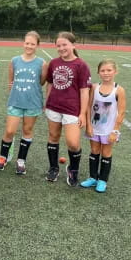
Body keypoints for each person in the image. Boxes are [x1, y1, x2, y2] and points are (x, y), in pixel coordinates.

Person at [0, 31, 47, 172]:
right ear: (23, 43)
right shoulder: (14, 60)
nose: (29, 46)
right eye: (27, 43)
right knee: (10, 130)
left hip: (33, 102)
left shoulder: (41, 63)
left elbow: (41, 82)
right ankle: (2, 157)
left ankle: (21, 160)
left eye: (32, 44)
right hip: (16, 100)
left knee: (27, 130)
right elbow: (11, 81)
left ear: (37, 45)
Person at [45, 32, 91, 186]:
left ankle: (73, 169)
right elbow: (50, 83)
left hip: (72, 109)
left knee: (73, 143)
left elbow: (85, 91)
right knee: (53, 137)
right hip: (54, 106)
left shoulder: (81, 65)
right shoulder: (53, 63)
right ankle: (53, 168)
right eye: (58, 45)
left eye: (64, 44)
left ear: (73, 45)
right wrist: (47, 101)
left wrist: (83, 113)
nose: (61, 48)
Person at [80, 59, 126, 193]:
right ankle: (93, 177)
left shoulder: (119, 90)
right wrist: (89, 125)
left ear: (115, 72)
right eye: (103, 70)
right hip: (95, 127)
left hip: (108, 129)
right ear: (98, 72)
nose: (106, 73)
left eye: (109, 70)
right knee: (94, 151)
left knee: (106, 153)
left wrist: (115, 131)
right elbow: (88, 107)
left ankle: (102, 180)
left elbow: (121, 112)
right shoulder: (94, 87)